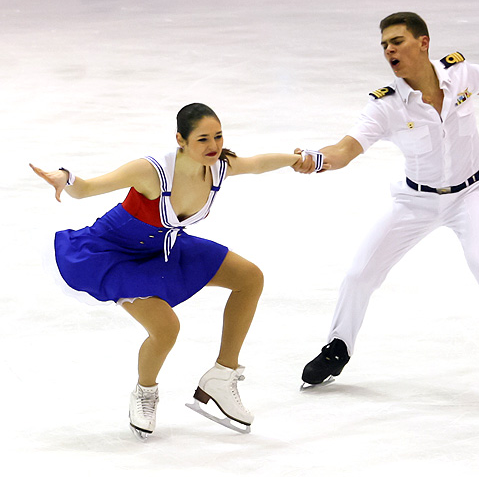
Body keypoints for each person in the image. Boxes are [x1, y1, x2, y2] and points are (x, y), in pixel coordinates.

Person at [297, 12, 479, 408]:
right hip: (416, 201)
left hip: (471, 195)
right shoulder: (386, 106)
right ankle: (338, 347)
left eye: (397, 41)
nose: (389, 50)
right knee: (360, 271)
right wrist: (317, 159)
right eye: (384, 45)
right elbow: (347, 148)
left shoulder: (461, 74)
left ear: (423, 43)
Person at [30, 103, 306, 439]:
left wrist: (297, 159)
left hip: (163, 247)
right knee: (166, 329)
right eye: (203, 138)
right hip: (116, 254)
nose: (213, 146)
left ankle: (222, 376)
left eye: (218, 136)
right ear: (180, 139)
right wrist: (65, 177)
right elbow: (87, 188)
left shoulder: (218, 167)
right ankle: (144, 393)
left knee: (249, 277)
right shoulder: (151, 170)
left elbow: (257, 164)